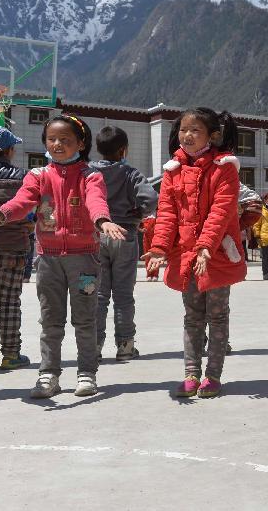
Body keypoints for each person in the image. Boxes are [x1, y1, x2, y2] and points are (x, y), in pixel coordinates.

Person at [0, 115, 125, 398]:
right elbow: (22, 201)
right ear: (45, 142)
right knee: (50, 320)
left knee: (85, 319)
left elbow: (95, 200)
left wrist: (102, 220)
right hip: (48, 260)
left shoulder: (90, 175)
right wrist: (0, 215)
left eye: (66, 139)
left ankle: (87, 373)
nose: (58, 144)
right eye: (52, 139)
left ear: (81, 143)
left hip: (85, 260)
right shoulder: (37, 176)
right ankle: (48, 374)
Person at [143, 107, 247, 399]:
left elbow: (222, 211)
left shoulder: (225, 168)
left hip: (216, 256)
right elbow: (166, 215)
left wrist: (205, 247)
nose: (186, 136)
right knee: (192, 317)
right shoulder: (172, 172)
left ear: (212, 136)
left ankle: (212, 376)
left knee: (217, 316)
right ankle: (191, 373)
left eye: (195, 130)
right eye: (182, 130)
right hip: (185, 256)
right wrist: (159, 248)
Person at [89, 126, 158, 362]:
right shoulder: (131, 173)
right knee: (123, 295)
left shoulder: (88, 172)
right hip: (125, 235)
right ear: (123, 150)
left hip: (95, 236)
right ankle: (125, 346)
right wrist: (137, 212)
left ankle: (95, 347)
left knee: (97, 294)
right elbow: (150, 199)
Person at [0, 126, 33, 371]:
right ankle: (11, 355)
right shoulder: (22, 177)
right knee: (9, 303)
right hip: (12, 249)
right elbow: (30, 212)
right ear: (10, 150)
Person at [141, 215, 158, 281]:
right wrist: (141, 229)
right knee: (147, 257)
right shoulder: (144, 214)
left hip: (155, 237)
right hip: (146, 238)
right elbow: (139, 225)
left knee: (156, 255)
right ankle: (149, 275)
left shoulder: (157, 213)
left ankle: (155, 275)